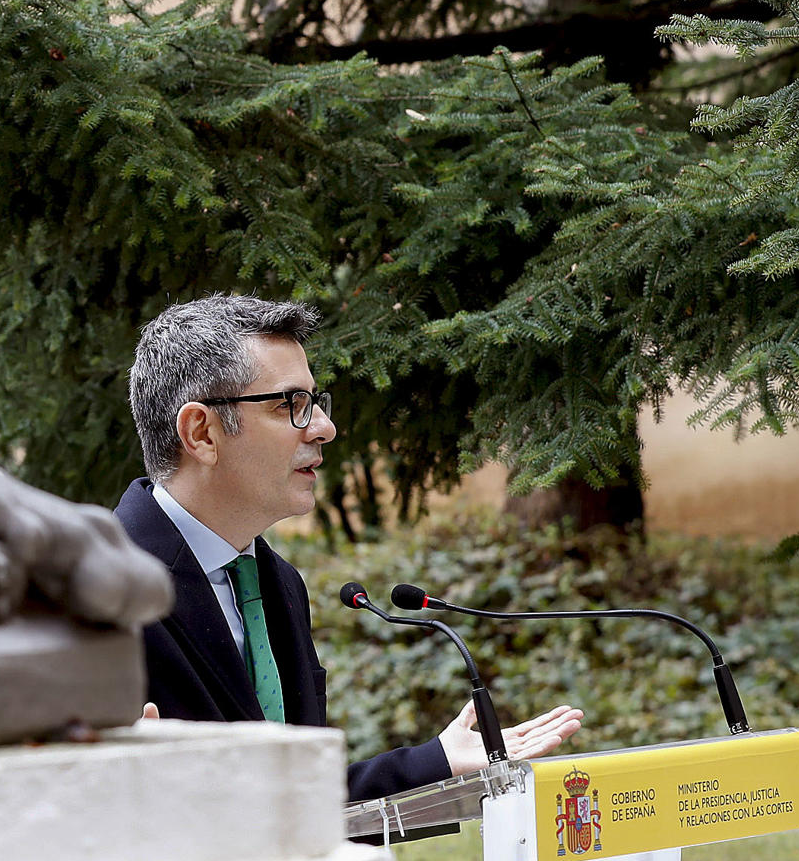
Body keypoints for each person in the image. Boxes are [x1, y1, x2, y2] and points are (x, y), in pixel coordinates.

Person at [118, 294, 581, 801]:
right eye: (288, 405)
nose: (323, 427)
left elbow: (297, 800)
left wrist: (438, 762)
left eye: (315, 402)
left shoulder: (278, 584)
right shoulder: (91, 592)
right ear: (201, 433)